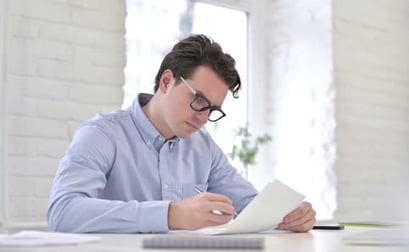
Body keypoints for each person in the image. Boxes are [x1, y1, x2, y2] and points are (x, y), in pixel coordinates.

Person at [47, 34, 316, 233]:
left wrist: (287, 216)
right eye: (198, 99)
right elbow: (63, 212)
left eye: (212, 108)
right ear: (166, 81)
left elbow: (249, 205)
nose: (203, 115)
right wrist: (170, 214)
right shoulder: (102, 134)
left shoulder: (203, 146)